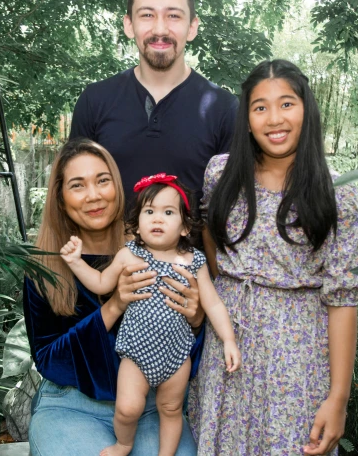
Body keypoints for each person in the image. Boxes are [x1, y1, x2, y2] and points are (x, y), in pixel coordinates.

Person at [188, 60, 358, 456]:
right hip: (227, 349)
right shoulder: (221, 174)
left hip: (297, 357)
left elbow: (344, 299)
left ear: (306, 109)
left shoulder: (338, 195)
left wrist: (338, 398)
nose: (274, 119)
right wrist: (227, 292)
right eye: (260, 107)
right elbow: (209, 236)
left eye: (286, 104)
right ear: (246, 118)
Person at [24, 139, 205, 456]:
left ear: (117, 187)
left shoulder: (162, 247)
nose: (93, 195)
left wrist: (196, 319)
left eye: (102, 181)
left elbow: (192, 355)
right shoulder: (46, 266)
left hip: (152, 406)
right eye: (77, 185)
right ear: (61, 198)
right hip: (71, 405)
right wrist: (115, 305)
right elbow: (49, 359)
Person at [60, 173, 241, 456]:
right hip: (136, 353)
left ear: (184, 227)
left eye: (168, 212)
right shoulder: (129, 254)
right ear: (138, 222)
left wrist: (229, 339)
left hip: (177, 355)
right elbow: (100, 283)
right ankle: (124, 443)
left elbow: (214, 304)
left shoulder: (194, 261)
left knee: (171, 410)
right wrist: (75, 262)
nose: (157, 219)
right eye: (149, 211)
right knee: (127, 408)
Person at [69, 0, 238, 211]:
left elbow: (230, 212)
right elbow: (74, 194)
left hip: (195, 250)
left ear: (192, 27)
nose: (160, 30)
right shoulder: (94, 101)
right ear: (129, 25)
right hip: (107, 250)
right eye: (147, 15)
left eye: (174, 16)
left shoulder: (224, 109)